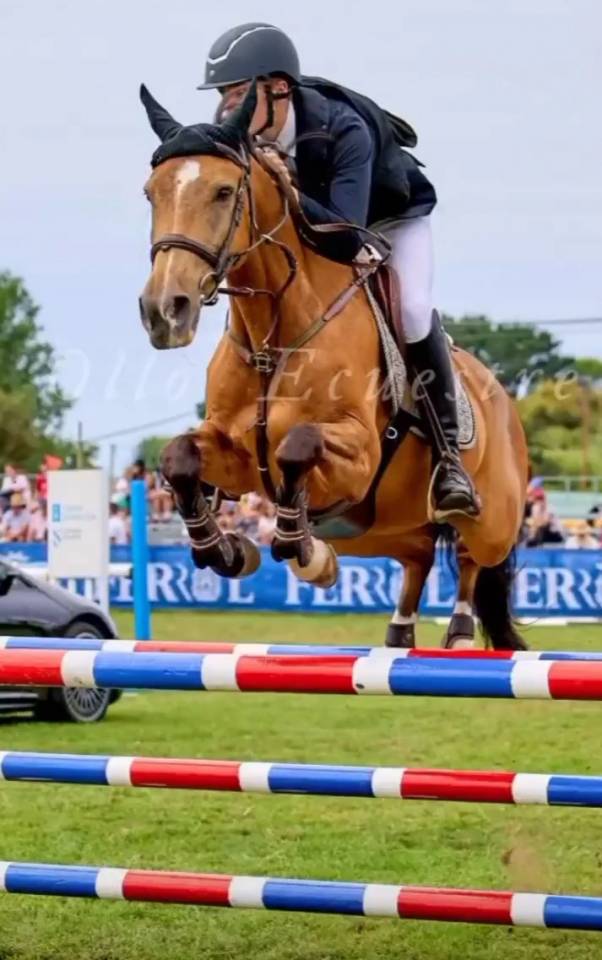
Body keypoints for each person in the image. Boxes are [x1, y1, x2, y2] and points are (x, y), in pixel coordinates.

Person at [196, 22, 479, 520]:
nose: (228, 108)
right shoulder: (247, 137)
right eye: (225, 95)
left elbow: (348, 232)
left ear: (279, 87)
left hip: (388, 221)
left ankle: (449, 457)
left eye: (240, 92)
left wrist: (284, 187)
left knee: (411, 309)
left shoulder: (341, 127)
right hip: (315, 226)